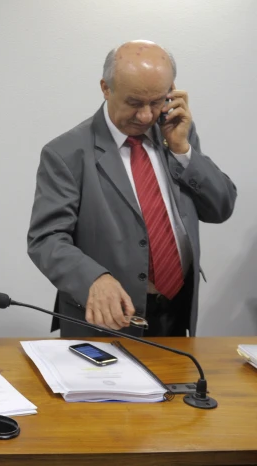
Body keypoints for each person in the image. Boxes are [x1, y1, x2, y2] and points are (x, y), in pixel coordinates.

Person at [27, 41, 236, 337]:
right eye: (135, 102)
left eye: (156, 102)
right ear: (106, 88)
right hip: (106, 320)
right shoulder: (66, 152)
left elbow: (221, 208)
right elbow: (46, 239)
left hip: (175, 312)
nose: (146, 116)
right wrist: (93, 279)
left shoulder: (176, 132)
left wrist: (183, 150)